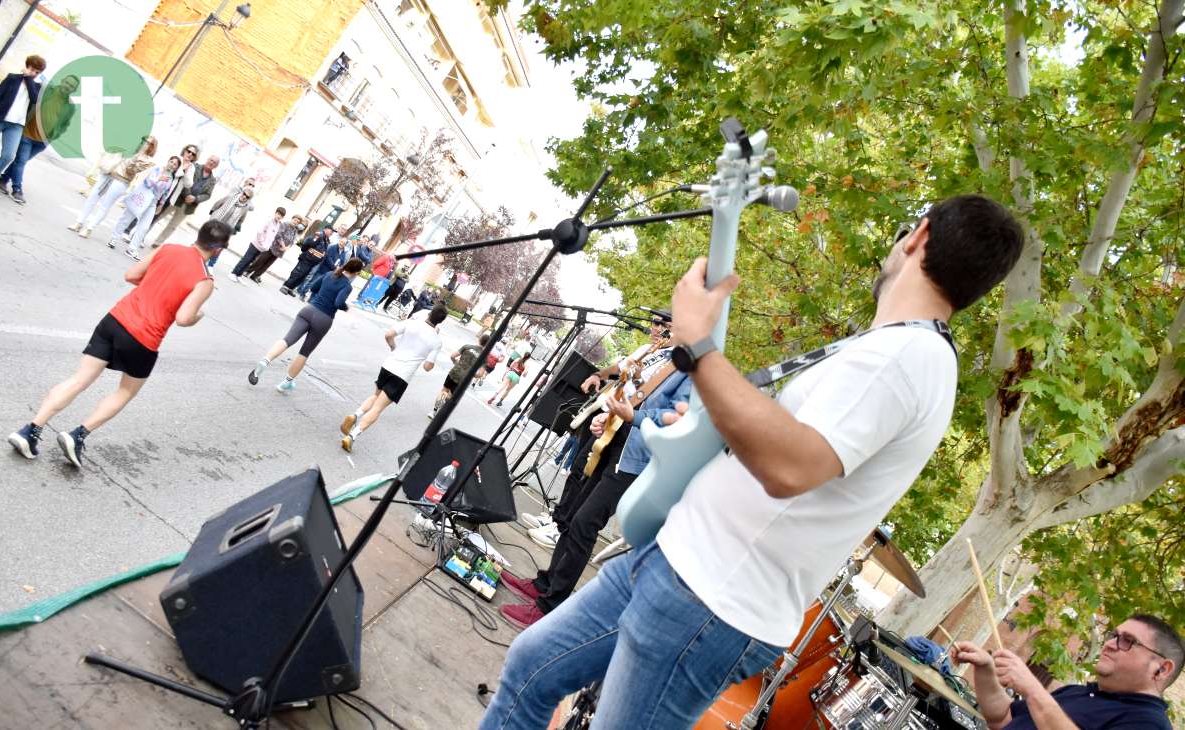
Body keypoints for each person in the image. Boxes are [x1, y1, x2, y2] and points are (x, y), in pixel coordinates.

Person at [479, 194, 1025, 728]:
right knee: (531, 668)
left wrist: (697, 346)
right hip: (675, 563)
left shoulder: (905, 360)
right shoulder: (895, 350)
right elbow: (778, 441)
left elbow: (791, 467)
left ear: (920, 235)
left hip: (707, 600)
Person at [500, 327, 685, 629]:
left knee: (586, 523)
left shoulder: (693, 368)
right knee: (573, 517)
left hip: (634, 459)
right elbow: (630, 393)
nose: (661, 328)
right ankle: (546, 584)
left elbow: (676, 420)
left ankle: (550, 606)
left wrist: (632, 418)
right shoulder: (662, 354)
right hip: (612, 440)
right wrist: (607, 416)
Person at [7, 220, 231, 467]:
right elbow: (183, 318)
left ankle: (30, 430)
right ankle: (77, 435)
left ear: (199, 235)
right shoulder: (204, 281)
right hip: (144, 338)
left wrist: (152, 286)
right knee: (125, 392)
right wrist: (198, 316)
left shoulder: (167, 249)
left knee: (79, 379)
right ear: (219, 250)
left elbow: (131, 275)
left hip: (115, 319)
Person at [953, 614, 1181, 729]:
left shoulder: (1149, 723)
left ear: (1161, 669)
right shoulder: (1077, 692)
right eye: (1113, 635)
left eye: (1128, 641)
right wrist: (985, 668)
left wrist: (1032, 689)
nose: (1110, 644)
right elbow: (1002, 718)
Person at [248, 258, 365, 393]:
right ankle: (286, 382)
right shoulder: (347, 286)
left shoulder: (329, 274)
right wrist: (348, 309)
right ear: (356, 272)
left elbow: (314, 287)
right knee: (304, 352)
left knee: (287, 340)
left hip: (308, 310)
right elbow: (339, 303)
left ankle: (265, 361)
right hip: (324, 319)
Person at [340, 304, 447, 453]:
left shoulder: (412, 322)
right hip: (402, 375)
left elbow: (389, 335)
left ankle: (355, 415)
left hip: (389, 365)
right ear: (440, 322)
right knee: (378, 408)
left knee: (375, 395)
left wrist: (393, 348)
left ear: (429, 314)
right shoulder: (436, 341)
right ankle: (351, 436)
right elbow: (427, 367)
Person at [0, 74, 79, 204]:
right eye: (67, 83)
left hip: (43, 141)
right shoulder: (46, 91)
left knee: (20, 162)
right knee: (21, 161)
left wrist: (55, 136)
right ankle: (17, 189)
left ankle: (3, 180)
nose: (68, 86)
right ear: (62, 81)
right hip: (27, 133)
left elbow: (65, 125)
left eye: (71, 86)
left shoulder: (71, 107)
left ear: (74, 90)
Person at [70, 136, 158, 238]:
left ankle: (90, 228)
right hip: (108, 173)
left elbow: (130, 170)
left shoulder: (146, 161)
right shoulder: (130, 148)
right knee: (92, 197)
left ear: (151, 147)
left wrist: (136, 156)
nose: (143, 143)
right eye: (143, 140)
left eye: (147, 142)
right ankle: (79, 222)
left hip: (121, 181)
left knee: (105, 205)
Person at [0, 55, 45, 199]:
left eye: (37, 72)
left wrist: (28, 78)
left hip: (17, 125)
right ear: (27, 66)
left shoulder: (36, 87)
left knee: (9, 155)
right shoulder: (12, 78)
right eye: (31, 69)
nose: (33, 73)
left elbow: (35, 99)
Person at [108, 156, 180, 260]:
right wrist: (158, 179)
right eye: (171, 162)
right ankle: (114, 238)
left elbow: (165, 193)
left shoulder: (171, 178)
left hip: (153, 202)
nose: (172, 165)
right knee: (127, 218)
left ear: (176, 168)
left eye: (175, 164)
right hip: (143, 196)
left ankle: (132, 249)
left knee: (145, 226)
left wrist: (161, 204)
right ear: (168, 161)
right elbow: (147, 182)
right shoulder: (158, 169)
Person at [152, 154, 219, 246]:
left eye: (214, 162)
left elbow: (207, 195)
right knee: (159, 215)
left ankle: (157, 242)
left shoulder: (212, 180)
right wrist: (188, 194)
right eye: (211, 160)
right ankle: (144, 233)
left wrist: (195, 198)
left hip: (189, 206)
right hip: (178, 198)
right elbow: (185, 179)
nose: (211, 163)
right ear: (207, 159)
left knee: (173, 225)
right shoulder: (195, 166)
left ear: (216, 166)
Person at [432, 332, 490, 418]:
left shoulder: (467, 347)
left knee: (444, 390)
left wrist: (456, 363)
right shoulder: (484, 358)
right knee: (451, 396)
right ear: (487, 344)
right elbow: (480, 374)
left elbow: (452, 356)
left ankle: (434, 411)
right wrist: (471, 373)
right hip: (464, 379)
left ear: (479, 339)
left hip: (455, 372)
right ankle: (441, 412)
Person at [230, 206, 284, 281]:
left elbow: (273, 236)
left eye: (281, 215)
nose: (279, 216)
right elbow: (260, 232)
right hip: (256, 244)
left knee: (251, 261)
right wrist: (262, 243)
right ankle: (233, 273)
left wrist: (266, 246)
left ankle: (239, 275)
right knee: (246, 259)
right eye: (278, 214)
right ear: (275, 213)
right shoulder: (269, 221)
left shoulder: (278, 225)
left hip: (263, 248)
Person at [245, 214, 304, 283]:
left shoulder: (295, 230)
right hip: (273, 247)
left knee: (267, 264)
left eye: (298, 222)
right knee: (260, 260)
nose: (296, 222)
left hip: (280, 251)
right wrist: (283, 245)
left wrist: (286, 248)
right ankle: (248, 271)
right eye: (295, 220)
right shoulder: (285, 224)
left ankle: (255, 276)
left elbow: (293, 241)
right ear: (292, 219)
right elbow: (279, 235)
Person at [281, 225, 332, 296]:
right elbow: (308, 244)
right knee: (297, 273)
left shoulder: (326, 239)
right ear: (326, 229)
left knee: (302, 276)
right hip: (307, 259)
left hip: (312, 262)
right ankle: (285, 286)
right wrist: (306, 253)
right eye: (331, 231)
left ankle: (291, 288)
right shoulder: (319, 235)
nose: (331, 233)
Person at [300, 228, 349, 301]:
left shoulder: (343, 252)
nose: (341, 243)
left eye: (343, 243)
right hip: (323, 269)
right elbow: (328, 257)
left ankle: (311, 299)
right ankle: (302, 293)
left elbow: (342, 261)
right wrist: (334, 267)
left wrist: (339, 268)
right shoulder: (332, 247)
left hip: (330, 272)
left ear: (345, 245)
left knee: (320, 286)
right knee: (313, 282)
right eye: (341, 242)